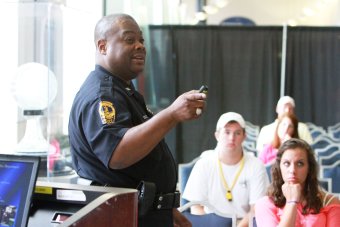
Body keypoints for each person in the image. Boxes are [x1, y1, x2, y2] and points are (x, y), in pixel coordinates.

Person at [68, 13, 207, 227]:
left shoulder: (122, 90)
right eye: (129, 40)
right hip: (121, 218)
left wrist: (166, 209)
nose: (140, 46)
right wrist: (171, 114)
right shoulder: (103, 95)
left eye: (141, 40)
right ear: (103, 46)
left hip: (145, 214)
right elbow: (118, 153)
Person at [182, 112, 269, 227]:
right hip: (210, 223)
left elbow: (256, 209)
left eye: (237, 133)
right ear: (217, 135)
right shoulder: (203, 164)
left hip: (244, 223)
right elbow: (196, 207)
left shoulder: (256, 166)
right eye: (227, 132)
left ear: (244, 136)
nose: (231, 138)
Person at [255, 138, 340, 226]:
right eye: (287, 163)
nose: (292, 170)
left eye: (300, 164)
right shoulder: (265, 204)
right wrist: (292, 202)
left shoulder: (330, 201)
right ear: (279, 167)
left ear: (309, 169)